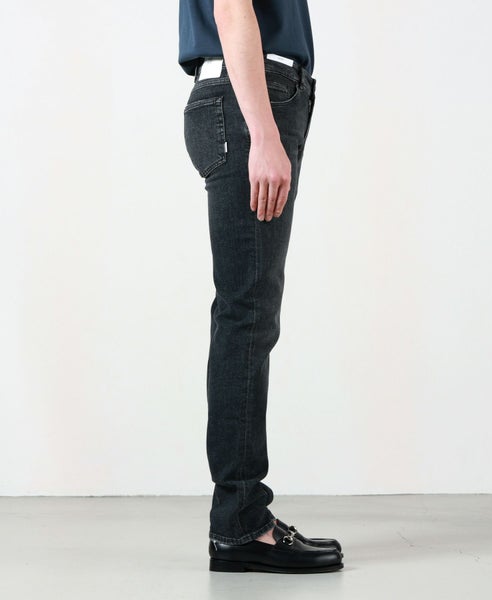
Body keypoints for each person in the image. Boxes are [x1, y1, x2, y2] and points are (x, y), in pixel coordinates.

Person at [178, 0, 344, 573]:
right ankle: (240, 522)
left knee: (247, 312)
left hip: (255, 93)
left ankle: (241, 516)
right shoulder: (255, 115)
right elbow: (231, 9)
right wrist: (263, 133)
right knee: (246, 315)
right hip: (251, 98)